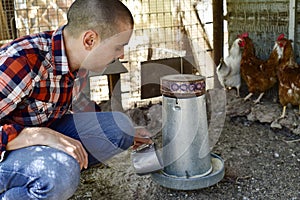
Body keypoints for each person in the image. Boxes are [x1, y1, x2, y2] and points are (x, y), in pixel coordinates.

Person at [0, 0, 151, 199]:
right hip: (7, 149)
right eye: (117, 47)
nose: (121, 55)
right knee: (60, 173)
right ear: (90, 40)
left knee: (121, 127)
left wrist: (126, 132)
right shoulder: (22, 61)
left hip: (42, 132)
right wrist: (35, 136)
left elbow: (75, 101)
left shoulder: (77, 59)